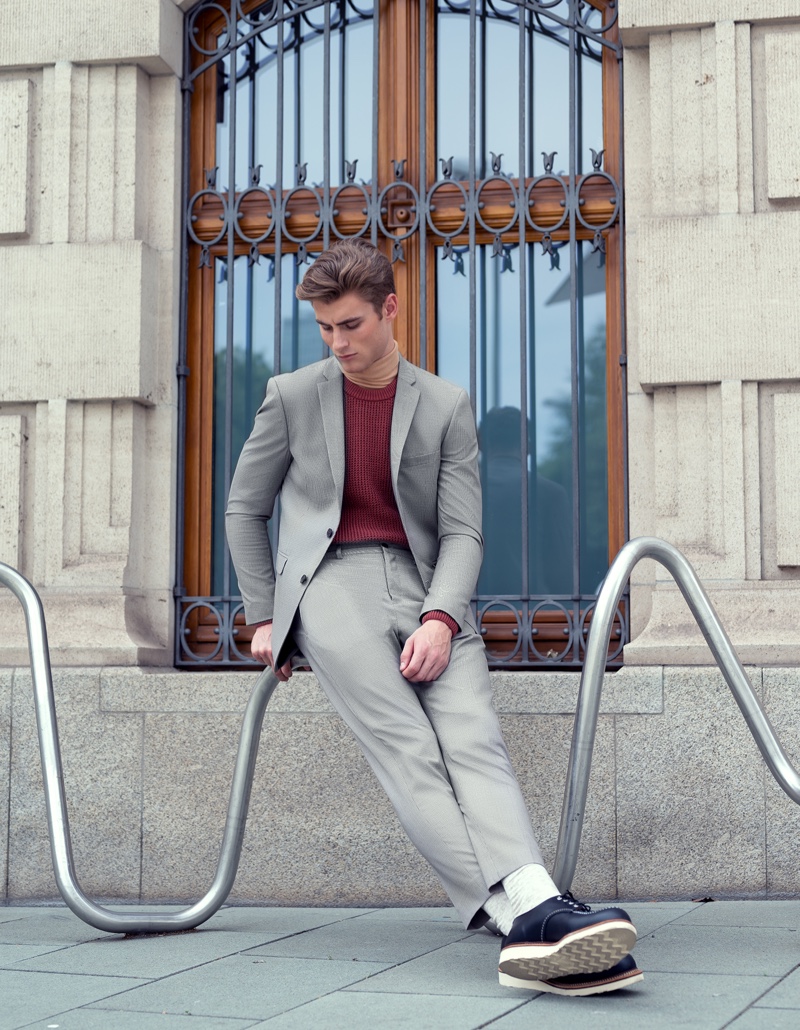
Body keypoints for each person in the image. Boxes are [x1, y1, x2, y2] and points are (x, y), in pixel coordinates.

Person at [225, 238, 642, 996]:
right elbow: (244, 507)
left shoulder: (445, 405)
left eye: (350, 324)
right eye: (325, 329)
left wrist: (443, 619)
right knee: (409, 747)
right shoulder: (290, 395)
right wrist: (263, 614)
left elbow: (463, 533)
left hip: (428, 590)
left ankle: (536, 911)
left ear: (390, 309)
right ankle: (523, 915)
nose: (338, 343)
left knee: (476, 740)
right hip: (330, 583)